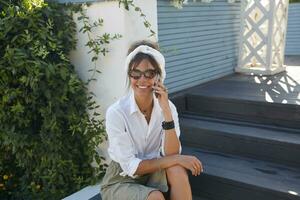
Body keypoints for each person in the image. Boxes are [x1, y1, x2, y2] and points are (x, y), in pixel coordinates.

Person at [100, 40, 203, 200]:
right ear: (129, 75)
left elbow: (172, 153)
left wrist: (166, 112)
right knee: (155, 197)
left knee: (177, 170)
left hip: (153, 171)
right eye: (136, 73)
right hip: (122, 177)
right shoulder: (117, 112)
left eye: (149, 73)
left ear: (158, 76)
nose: (142, 79)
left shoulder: (168, 107)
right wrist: (177, 159)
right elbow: (132, 167)